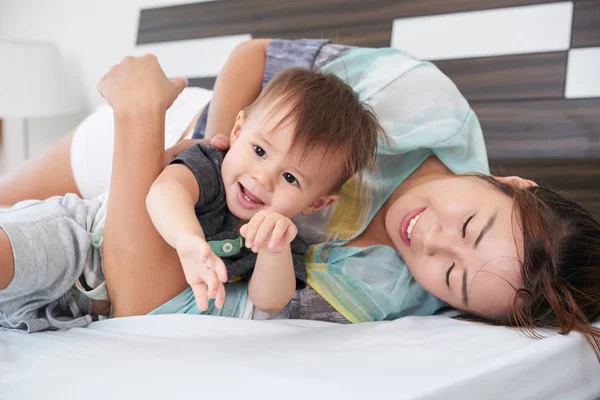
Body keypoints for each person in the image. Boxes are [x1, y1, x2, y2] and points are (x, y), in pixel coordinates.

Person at [0, 39, 598, 361]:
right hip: (179, 133)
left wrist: (144, 142)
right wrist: (212, 148)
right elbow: (251, 55)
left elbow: (151, 301)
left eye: (452, 279)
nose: (431, 239)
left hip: (140, 194)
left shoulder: (379, 291)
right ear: (514, 182)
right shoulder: (420, 101)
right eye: (469, 225)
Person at [0, 64, 380, 329]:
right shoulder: (212, 166)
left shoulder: (283, 235)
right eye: (259, 151)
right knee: (15, 257)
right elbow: (165, 192)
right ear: (238, 129)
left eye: (290, 178)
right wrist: (187, 241)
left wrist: (274, 251)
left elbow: (268, 301)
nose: (262, 178)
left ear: (316, 204)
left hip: (80, 305)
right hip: (80, 238)